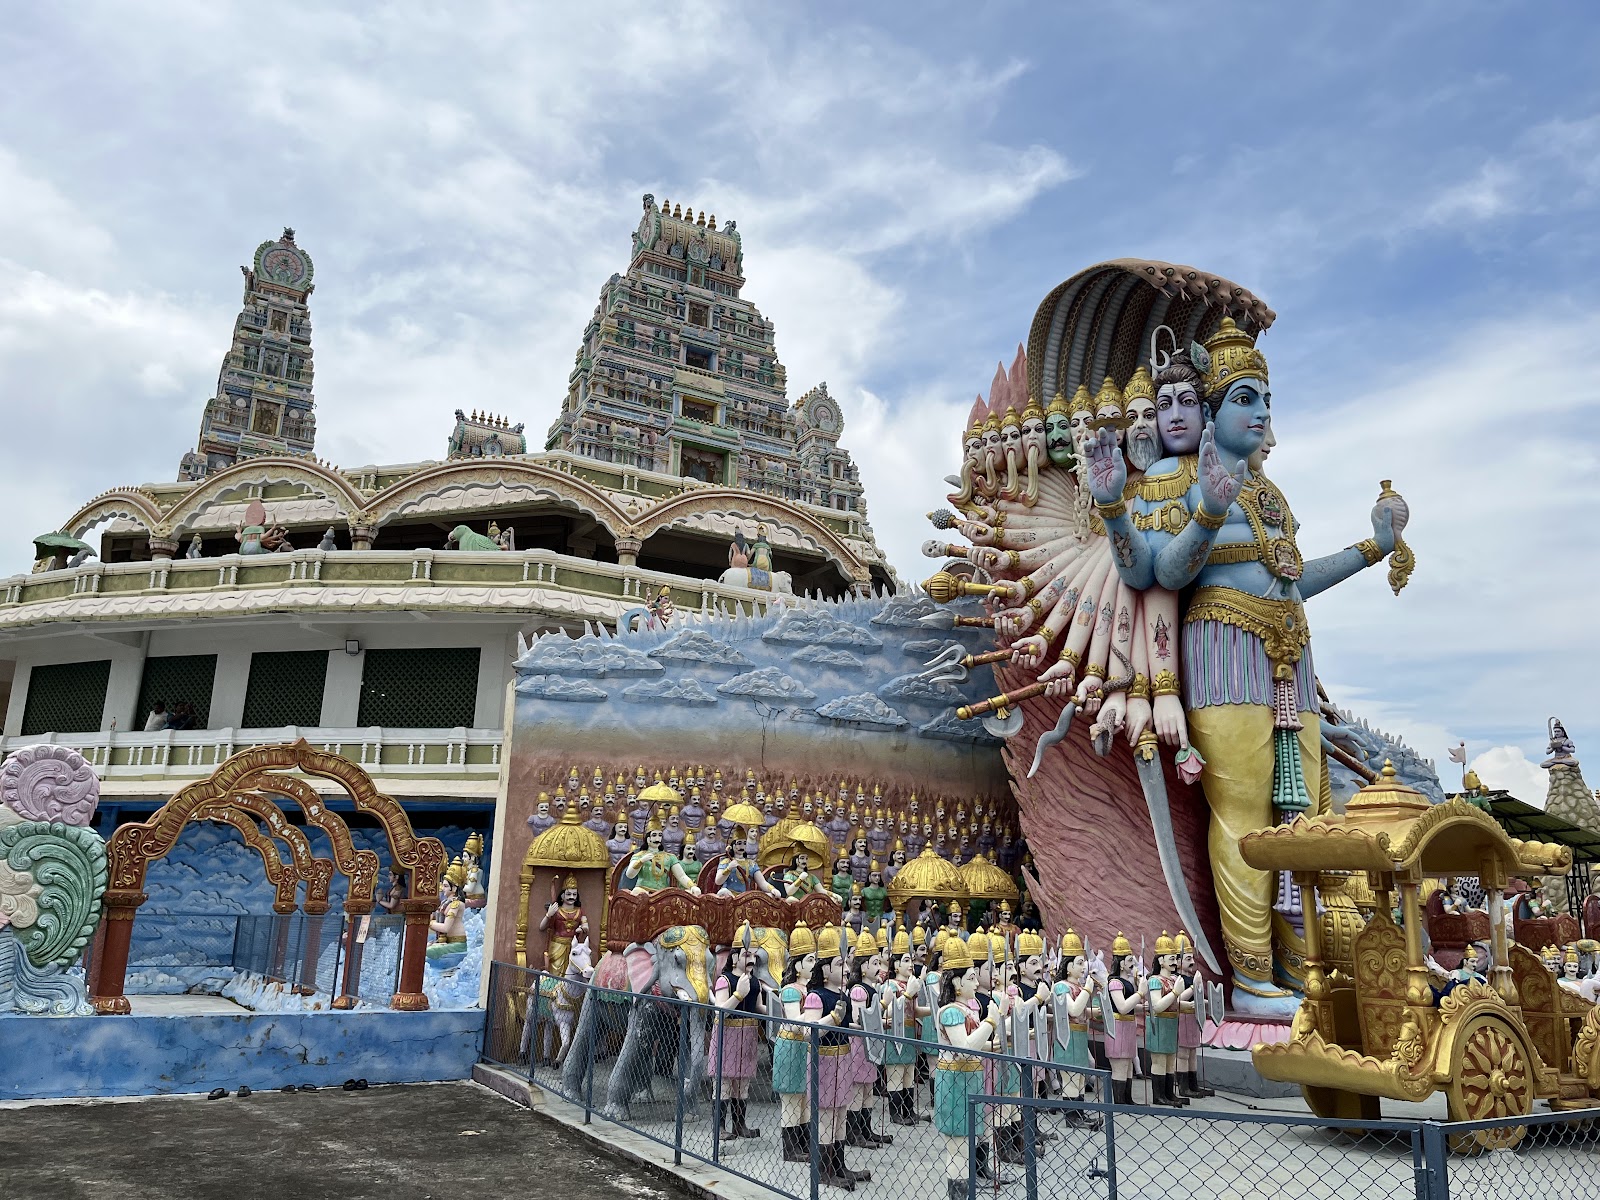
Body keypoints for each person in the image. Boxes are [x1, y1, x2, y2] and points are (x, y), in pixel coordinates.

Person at [710, 926, 767, 1141]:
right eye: (746, 954)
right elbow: (721, 1010)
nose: (751, 958)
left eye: (753, 955)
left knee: (742, 1084)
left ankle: (739, 1124)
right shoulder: (725, 980)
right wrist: (738, 994)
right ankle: (719, 1127)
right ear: (735, 958)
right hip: (728, 1035)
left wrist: (778, 1012)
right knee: (724, 1082)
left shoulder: (753, 981)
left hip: (749, 1034)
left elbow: (759, 1007)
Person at [539, 876, 588, 977]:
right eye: (568, 894)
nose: (571, 897)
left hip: (573, 946)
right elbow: (542, 927)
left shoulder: (580, 911)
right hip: (557, 946)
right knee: (556, 972)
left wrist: (582, 928)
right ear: (562, 896)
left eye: (574, 894)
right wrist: (549, 915)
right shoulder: (557, 910)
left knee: (572, 973)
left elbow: (586, 926)